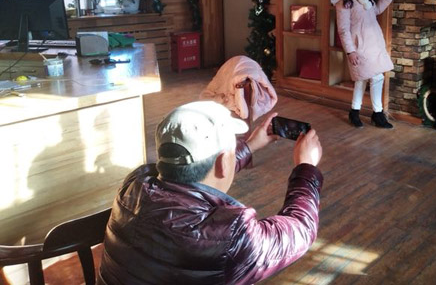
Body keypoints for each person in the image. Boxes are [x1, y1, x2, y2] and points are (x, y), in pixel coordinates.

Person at [98, 101, 323, 285]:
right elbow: (300, 230)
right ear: (224, 161)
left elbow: (199, 170)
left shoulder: (135, 184)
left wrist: (250, 146)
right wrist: (306, 167)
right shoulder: (230, 236)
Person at [332, 0, 402, 129]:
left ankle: (354, 111)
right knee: (375, 76)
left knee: (363, 79)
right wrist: (351, 51)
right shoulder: (343, 2)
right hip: (359, 46)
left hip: (375, 44)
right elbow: (343, 30)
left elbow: (376, 10)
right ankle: (377, 114)